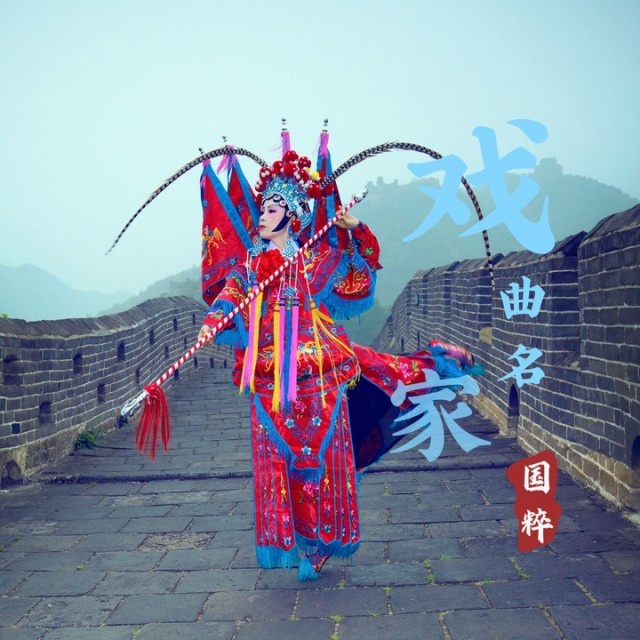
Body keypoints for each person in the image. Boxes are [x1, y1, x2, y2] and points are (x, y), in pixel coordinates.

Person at [195, 148, 480, 580]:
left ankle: (322, 542)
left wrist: (356, 228)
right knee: (282, 466)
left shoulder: (315, 261)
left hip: (323, 371)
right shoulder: (251, 266)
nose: (263, 216)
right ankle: (294, 539)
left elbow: (361, 270)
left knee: (326, 460)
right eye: (263, 209)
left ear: (292, 216)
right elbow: (230, 296)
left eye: (272, 210)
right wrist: (213, 322)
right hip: (270, 376)